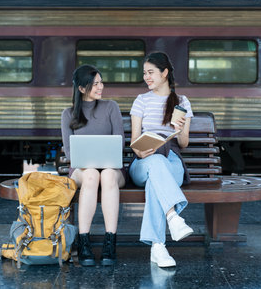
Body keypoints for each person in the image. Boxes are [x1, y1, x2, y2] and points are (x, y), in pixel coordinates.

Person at [129, 52, 194, 268]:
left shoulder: (181, 102)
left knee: (154, 184)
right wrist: (140, 152)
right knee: (154, 164)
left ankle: (157, 246)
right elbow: (134, 141)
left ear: (164, 73)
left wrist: (180, 129)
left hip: (172, 160)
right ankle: (173, 217)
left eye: (151, 73)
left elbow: (183, 143)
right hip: (144, 161)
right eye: (145, 73)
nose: (146, 77)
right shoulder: (141, 101)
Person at [61, 64, 125, 266]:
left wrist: (106, 162)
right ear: (81, 88)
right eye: (95, 84)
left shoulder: (111, 107)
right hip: (81, 172)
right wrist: (89, 163)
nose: (100, 87)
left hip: (112, 170)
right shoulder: (68, 114)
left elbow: (120, 142)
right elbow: (70, 153)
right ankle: (84, 242)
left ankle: (110, 242)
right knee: (90, 174)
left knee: (105, 174)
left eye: (100, 82)